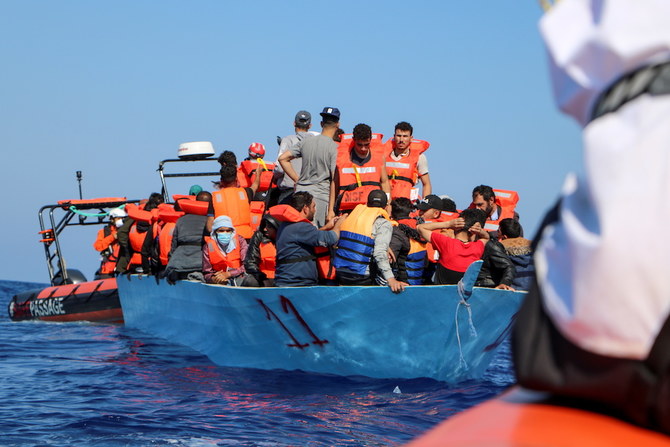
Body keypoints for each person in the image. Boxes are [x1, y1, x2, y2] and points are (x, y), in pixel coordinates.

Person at [278, 106, 340, 227]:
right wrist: (331, 210)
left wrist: (297, 180)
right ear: (338, 125)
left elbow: (283, 159)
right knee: (316, 238)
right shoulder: (335, 148)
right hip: (320, 199)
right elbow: (334, 180)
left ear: (321, 123)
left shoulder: (306, 142)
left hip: (300, 196)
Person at [334, 190, 407, 292]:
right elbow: (379, 253)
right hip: (361, 276)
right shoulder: (383, 223)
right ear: (385, 207)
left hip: (340, 272)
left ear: (367, 204)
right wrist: (391, 279)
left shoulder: (351, 217)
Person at [273, 191, 343, 287]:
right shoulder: (301, 227)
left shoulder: (287, 225)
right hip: (297, 284)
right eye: (313, 206)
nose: (315, 210)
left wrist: (326, 227)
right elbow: (330, 238)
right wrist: (340, 223)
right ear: (305, 208)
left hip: (286, 281)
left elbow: (307, 237)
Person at [417, 208, 489, 285]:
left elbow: (420, 228)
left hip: (442, 293)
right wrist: (480, 230)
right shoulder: (477, 247)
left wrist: (448, 224)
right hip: (462, 295)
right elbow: (486, 237)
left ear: (455, 228)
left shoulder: (445, 243)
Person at [332, 123, 391, 214]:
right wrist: (330, 211)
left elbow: (385, 182)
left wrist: (387, 204)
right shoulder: (342, 158)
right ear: (354, 140)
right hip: (347, 210)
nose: (363, 148)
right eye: (359, 145)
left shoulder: (379, 157)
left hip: (371, 209)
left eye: (366, 145)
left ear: (370, 140)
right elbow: (335, 183)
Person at [162, 191, 212, 282]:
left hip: (179, 264)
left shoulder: (181, 220)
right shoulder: (211, 221)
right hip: (202, 265)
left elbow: (174, 245)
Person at [212, 151, 261, 239]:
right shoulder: (246, 192)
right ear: (236, 178)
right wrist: (258, 175)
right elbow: (255, 186)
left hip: (226, 238)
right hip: (247, 236)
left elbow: (209, 226)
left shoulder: (215, 197)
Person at [384, 121, 431, 200]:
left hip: (406, 204)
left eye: (405, 136)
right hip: (386, 202)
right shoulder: (383, 156)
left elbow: (426, 184)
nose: (401, 140)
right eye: (399, 136)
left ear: (411, 138)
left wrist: (426, 205)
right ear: (394, 136)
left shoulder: (420, 157)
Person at [275, 110, 314, 203]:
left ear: (294, 123)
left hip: (289, 191)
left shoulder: (287, 141)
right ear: (309, 126)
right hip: (311, 192)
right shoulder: (316, 142)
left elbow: (279, 169)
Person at [389, 197, 427, 286]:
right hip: (418, 281)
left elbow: (391, 258)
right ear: (410, 212)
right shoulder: (420, 228)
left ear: (392, 212)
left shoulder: (395, 229)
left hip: (403, 283)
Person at [203, 215, 248, 285]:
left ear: (232, 231)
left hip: (239, 279)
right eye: (221, 231)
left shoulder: (240, 241)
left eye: (228, 230)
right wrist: (214, 279)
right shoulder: (208, 246)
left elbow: (247, 265)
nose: (225, 233)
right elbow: (207, 272)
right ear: (215, 232)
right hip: (218, 282)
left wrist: (229, 274)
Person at [241, 214, 279, 287]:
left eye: (269, 227)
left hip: (282, 279)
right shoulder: (259, 236)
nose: (265, 229)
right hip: (262, 278)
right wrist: (261, 277)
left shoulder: (287, 239)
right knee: (250, 281)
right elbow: (250, 262)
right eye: (265, 226)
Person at [498, 218, 533, 291]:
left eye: (498, 231)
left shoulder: (499, 249)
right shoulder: (534, 248)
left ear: (504, 236)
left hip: (510, 291)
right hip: (531, 292)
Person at [93, 207, 127, 279]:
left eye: (122, 218)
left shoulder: (127, 231)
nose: (121, 220)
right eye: (118, 218)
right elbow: (98, 246)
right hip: (108, 270)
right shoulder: (103, 232)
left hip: (124, 268)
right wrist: (112, 237)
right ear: (112, 219)